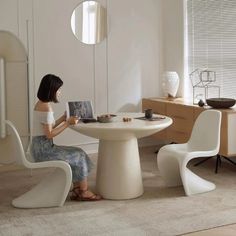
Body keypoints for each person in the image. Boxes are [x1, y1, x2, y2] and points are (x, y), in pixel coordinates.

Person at [30, 74, 102, 201]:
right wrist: (67, 123)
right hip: (44, 151)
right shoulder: (45, 107)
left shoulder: (41, 104)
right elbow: (49, 134)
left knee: (77, 153)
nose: (59, 92)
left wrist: (63, 118)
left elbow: (49, 127)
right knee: (78, 154)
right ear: (51, 90)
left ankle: (76, 189)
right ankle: (83, 191)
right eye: (58, 89)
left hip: (41, 147)